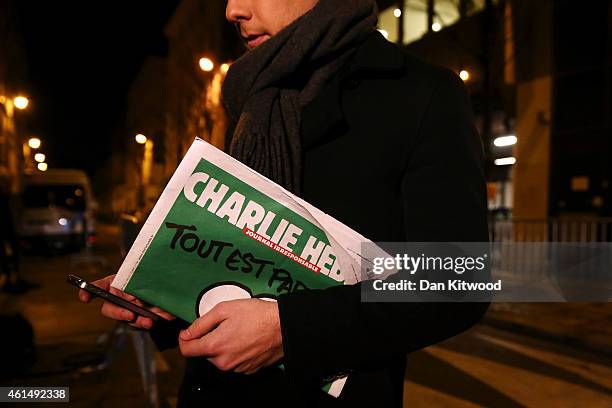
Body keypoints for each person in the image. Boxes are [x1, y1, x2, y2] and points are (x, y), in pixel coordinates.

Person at [79, 0, 489, 406]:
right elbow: (244, 259)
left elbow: (455, 281)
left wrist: (288, 331)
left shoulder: (421, 93)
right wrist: (164, 292)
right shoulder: (253, 95)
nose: (232, 10)